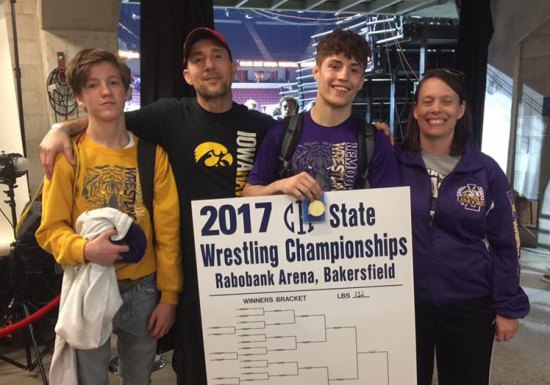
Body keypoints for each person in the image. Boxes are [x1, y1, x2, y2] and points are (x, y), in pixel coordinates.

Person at [39, 28, 275, 385]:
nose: (208, 65)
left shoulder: (263, 127)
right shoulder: (167, 116)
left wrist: (372, 133)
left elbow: (306, 142)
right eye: (198, 60)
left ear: (233, 66)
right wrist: (59, 128)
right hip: (143, 277)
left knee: (247, 357)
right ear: (186, 75)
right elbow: (106, 117)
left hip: (237, 267)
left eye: (217, 57)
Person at [36, 49, 182, 385]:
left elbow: (168, 235)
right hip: (88, 283)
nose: (105, 91)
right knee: (88, 379)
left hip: (143, 290)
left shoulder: (152, 155)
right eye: (93, 85)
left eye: (113, 82)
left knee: (139, 378)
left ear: (127, 90)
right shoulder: (67, 155)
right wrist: (85, 250)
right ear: (80, 97)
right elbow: (50, 230)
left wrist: (169, 298)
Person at [396, 68, 530, 385]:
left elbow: (506, 244)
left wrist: (508, 306)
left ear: (461, 109)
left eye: (446, 101)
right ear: (415, 110)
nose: (436, 109)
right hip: (406, 304)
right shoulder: (393, 164)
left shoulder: (486, 171)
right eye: (427, 101)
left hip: (468, 304)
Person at [243, 29, 399, 200]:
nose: (343, 76)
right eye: (335, 66)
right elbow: (249, 194)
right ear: (316, 72)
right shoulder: (282, 133)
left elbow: (390, 210)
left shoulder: (375, 141)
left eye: (354, 70)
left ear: (361, 81)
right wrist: (280, 186)